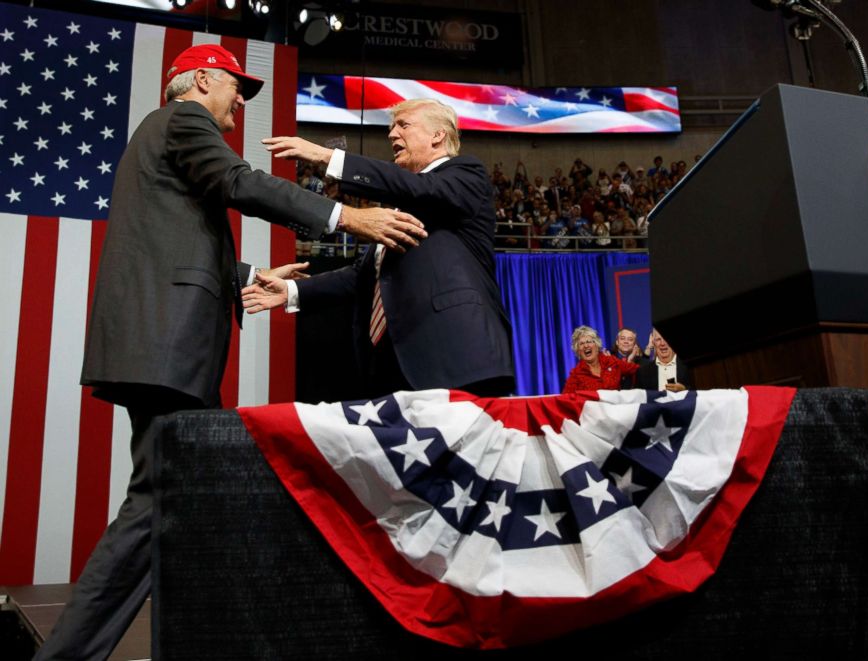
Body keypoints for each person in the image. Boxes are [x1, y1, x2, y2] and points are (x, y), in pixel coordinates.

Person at [37, 44, 427, 661]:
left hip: (160, 341)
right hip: (165, 345)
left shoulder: (159, 133)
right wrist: (347, 218)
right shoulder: (183, 119)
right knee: (161, 500)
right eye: (234, 86)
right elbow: (238, 182)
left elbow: (173, 238)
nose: (240, 99)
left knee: (175, 502)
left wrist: (246, 272)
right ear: (198, 80)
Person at [243, 98, 515, 398]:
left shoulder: (465, 174)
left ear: (438, 135)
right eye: (392, 127)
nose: (392, 134)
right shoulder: (401, 207)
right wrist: (291, 291)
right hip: (395, 368)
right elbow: (361, 275)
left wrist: (328, 157)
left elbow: (420, 188)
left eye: (403, 125)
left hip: (457, 358)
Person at [562, 326, 640, 394]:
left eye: (589, 341)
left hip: (616, 409)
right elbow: (565, 400)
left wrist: (632, 360)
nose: (586, 345)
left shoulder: (611, 361)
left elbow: (638, 370)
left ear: (597, 345)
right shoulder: (576, 375)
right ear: (578, 351)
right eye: (581, 344)